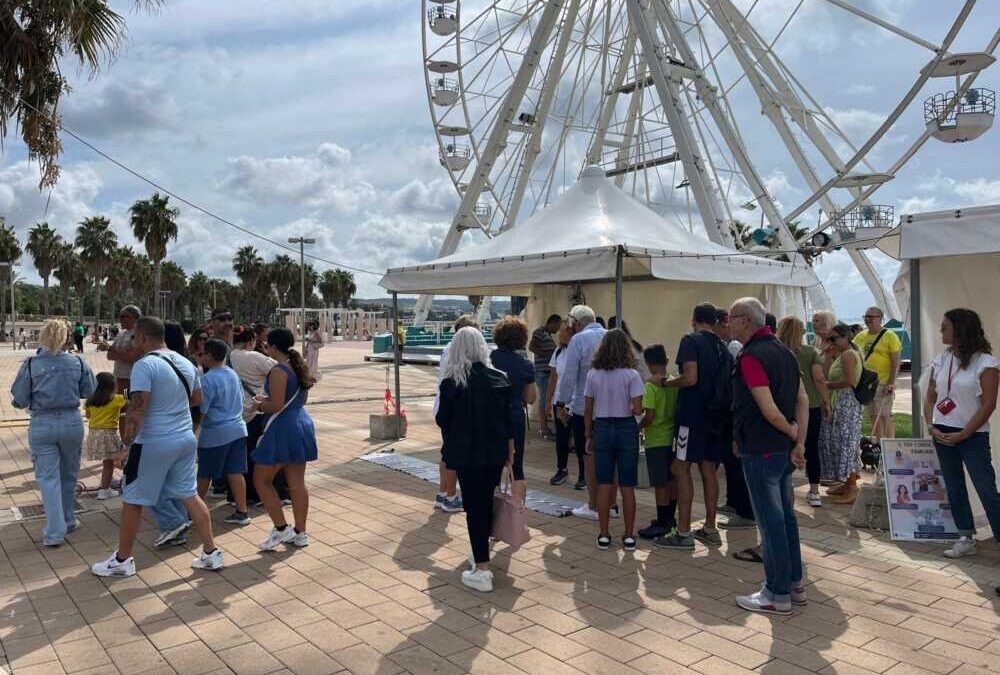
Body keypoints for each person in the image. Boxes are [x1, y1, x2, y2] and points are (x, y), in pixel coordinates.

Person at [91, 316, 223, 576]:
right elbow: (197, 399)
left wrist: (125, 446)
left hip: (154, 441)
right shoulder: (186, 362)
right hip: (184, 438)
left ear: (142, 337)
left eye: (134, 338)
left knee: (133, 499)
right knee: (190, 495)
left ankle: (123, 559)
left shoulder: (145, 365)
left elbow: (138, 411)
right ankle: (211, 552)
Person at [728, 297, 808, 615]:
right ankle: (794, 583)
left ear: (746, 321)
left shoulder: (751, 356)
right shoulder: (785, 352)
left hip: (762, 448)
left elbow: (768, 408)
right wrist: (799, 441)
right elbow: (801, 399)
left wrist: (791, 433)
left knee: (770, 521)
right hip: (783, 451)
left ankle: (776, 593)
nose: (727, 322)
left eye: (731, 317)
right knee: (786, 518)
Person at [435, 327, 514, 592]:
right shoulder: (499, 379)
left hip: (466, 453)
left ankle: (482, 566)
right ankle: (480, 551)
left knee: (474, 506)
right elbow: (510, 420)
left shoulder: (451, 384)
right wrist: (511, 451)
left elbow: (441, 419)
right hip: (494, 452)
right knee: (485, 501)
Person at [11, 320, 97, 546]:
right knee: (69, 474)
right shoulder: (78, 362)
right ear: (67, 337)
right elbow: (90, 390)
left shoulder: (31, 364)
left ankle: (54, 532)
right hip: (71, 421)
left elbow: (19, 399)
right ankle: (68, 519)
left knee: (48, 478)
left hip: (42, 423)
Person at [924, 308, 1000, 558]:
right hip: (943, 433)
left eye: (945, 326)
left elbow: (989, 404)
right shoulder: (941, 359)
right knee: (954, 486)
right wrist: (931, 425)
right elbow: (931, 397)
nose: (940, 330)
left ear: (960, 329)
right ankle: (965, 536)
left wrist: (965, 433)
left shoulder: (986, 363)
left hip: (973, 435)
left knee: (985, 488)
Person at [656, 302, 731, 549]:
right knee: (708, 469)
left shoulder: (691, 341)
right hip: (716, 417)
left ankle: (684, 531)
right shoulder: (723, 347)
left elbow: (690, 377)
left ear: (694, 319)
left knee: (680, 467)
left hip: (692, 415)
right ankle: (710, 527)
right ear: (715, 321)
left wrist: (667, 383)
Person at [249, 327, 318, 551]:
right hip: (301, 423)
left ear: (274, 346)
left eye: (267, 345)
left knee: (261, 479)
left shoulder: (279, 371)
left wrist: (259, 405)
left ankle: (280, 528)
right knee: (297, 483)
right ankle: (300, 532)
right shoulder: (298, 367)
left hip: (283, 427)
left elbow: (276, 405)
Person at [584, 329, 644, 550]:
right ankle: (628, 536)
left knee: (604, 485)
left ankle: (604, 535)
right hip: (626, 427)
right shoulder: (632, 375)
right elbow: (637, 408)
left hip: (602, 427)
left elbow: (588, 408)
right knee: (627, 486)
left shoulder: (593, 374)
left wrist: (588, 434)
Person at [555, 305, 616, 520]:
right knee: (611, 458)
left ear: (577, 323)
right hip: (613, 407)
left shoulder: (578, 340)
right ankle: (612, 504)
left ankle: (593, 505)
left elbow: (569, 376)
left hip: (585, 408)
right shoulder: (612, 336)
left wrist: (561, 403)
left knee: (589, 456)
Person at [230, 325, 291, 505]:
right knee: (263, 454)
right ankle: (266, 493)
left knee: (245, 455)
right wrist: (268, 353)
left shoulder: (228, 356)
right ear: (251, 341)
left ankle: (243, 495)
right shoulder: (255, 357)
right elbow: (283, 369)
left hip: (239, 412)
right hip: (258, 410)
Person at [777, 316, 830, 508]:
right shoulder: (810, 352)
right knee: (812, 447)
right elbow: (818, 378)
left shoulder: (777, 352)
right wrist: (826, 400)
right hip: (811, 406)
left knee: (784, 447)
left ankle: (786, 485)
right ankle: (814, 491)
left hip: (784, 407)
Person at [197, 338, 251, 525]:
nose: (200, 356)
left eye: (203, 353)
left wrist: (194, 434)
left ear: (210, 356)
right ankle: (242, 511)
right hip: (237, 428)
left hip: (215, 434)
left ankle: (193, 512)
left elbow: (202, 412)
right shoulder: (231, 373)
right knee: (235, 471)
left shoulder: (207, 380)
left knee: (205, 473)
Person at [432, 314, 478, 512]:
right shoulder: (458, 351)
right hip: (453, 408)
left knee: (447, 452)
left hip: (444, 406)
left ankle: (443, 493)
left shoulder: (448, 348)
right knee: (453, 455)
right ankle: (450, 496)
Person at [490, 316, 537, 503]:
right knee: (516, 466)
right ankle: (517, 512)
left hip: (492, 418)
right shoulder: (525, 364)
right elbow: (531, 398)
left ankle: (490, 510)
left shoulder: (489, 359)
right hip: (515, 416)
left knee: (492, 465)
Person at [715, 307, 754, 529]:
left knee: (738, 464)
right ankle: (735, 503)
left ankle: (745, 511)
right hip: (734, 414)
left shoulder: (737, 348)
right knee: (732, 462)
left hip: (739, 417)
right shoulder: (730, 347)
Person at [638, 345, 680, 539]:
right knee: (671, 480)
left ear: (647, 363)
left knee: (660, 483)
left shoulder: (650, 386)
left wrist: (638, 427)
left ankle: (662, 522)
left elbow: (650, 416)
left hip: (656, 439)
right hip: (672, 436)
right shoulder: (673, 382)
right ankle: (670, 518)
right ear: (666, 361)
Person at [820, 323, 863, 504]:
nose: (830, 342)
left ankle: (852, 486)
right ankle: (847, 483)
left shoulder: (848, 355)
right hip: (844, 402)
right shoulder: (843, 354)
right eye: (828, 339)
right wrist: (828, 356)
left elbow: (850, 381)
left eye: (833, 338)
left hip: (847, 403)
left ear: (845, 337)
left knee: (846, 443)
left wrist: (827, 385)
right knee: (843, 442)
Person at [853, 307, 902, 441]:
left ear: (880, 319)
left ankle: (890, 443)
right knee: (873, 415)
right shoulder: (861, 336)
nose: (868, 319)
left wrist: (891, 382)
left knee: (885, 415)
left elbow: (896, 361)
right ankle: (880, 443)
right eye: (866, 316)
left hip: (883, 382)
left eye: (871, 317)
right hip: (867, 383)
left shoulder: (890, 336)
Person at [546, 320, 579, 486]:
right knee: (562, 438)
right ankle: (562, 469)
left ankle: (583, 474)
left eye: (563, 330)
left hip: (577, 401)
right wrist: (548, 402)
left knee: (580, 439)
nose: (560, 333)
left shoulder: (579, 350)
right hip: (559, 401)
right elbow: (553, 377)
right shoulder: (558, 351)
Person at [85, 372, 127, 500]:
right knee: (115, 461)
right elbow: (130, 402)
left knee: (107, 462)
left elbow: (88, 416)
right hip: (108, 434)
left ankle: (107, 485)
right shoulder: (117, 399)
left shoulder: (90, 401)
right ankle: (105, 489)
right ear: (113, 387)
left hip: (94, 434)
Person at [528, 314, 561, 438]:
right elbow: (531, 346)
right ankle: (543, 428)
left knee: (547, 398)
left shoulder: (547, 335)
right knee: (544, 399)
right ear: (552, 323)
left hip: (547, 372)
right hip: (543, 372)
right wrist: (547, 356)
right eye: (557, 326)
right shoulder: (539, 332)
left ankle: (545, 426)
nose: (557, 330)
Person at [107, 305, 143, 394]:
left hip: (131, 378)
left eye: (123, 316)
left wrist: (112, 349)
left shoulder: (139, 335)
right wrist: (121, 353)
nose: (120, 319)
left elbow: (131, 357)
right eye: (120, 316)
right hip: (118, 376)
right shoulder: (121, 334)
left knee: (128, 403)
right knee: (121, 404)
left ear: (135, 318)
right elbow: (110, 356)